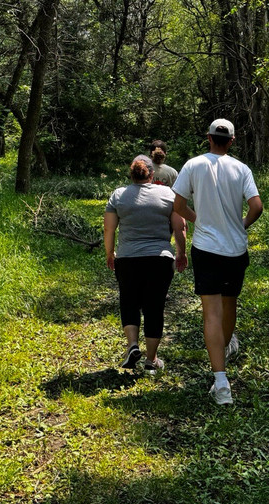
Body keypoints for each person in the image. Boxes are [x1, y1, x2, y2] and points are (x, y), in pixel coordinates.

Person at [172, 119, 263, 405]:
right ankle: (222, 356)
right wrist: (240, 225)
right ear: (232, 141)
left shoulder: (192, 165)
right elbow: (256, 206)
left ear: (208, 138)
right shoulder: (241, 169)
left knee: (210, 312)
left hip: (206, 248)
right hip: (235, 249)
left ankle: (221, 383)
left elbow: (178, 206)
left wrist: (202, 221)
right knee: (229, 304)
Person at [104, 154, 188, 373]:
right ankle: (151, 361)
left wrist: (110, 253)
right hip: (159, 260)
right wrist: (181, 253)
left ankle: (132, 345)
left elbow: (109, 229)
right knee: (154, 307)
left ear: (131, 174)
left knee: (129, 302)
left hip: (128, 259)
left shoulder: (119, 195)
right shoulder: (167, 193)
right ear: (152, 174)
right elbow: (180, 227)